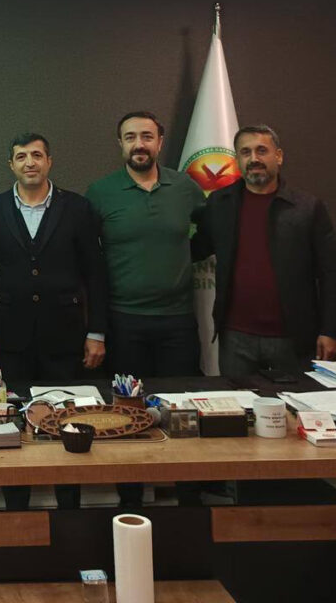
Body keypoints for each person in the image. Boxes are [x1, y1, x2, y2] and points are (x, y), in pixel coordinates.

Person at [0, 133, 108, 511]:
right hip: (10, 336)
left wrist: (97, 331)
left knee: (67, 419)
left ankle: (69, 505)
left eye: (37, 155)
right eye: (21, 156)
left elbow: (96, 275)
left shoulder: (78, 208)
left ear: (49, 161)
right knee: (10, 421)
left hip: (65, 335)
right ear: (11, 165)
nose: (30, 162)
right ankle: (15, 506)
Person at [86, 111, 205, 508]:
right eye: (130, 137)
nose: (139, 144)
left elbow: (209, 234)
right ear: (120, 144)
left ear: (160, 142)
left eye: (147, 136)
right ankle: (131, 499)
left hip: (178, 321)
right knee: (127, 415)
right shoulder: (101, 193)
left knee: (181, 412)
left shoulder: (185, 188)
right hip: (124, 322)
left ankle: (188, 497)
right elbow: (89, 260)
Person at [192, 125, 336, 375]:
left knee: (297, 401)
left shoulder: (307, 208)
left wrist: (331, 330)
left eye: (261, 150)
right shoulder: (220, 203)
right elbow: (196, 248)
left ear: (279, 156)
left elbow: (332, 274)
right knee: (238, 401)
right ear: (237, 160)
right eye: (245, 152)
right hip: (235, 338)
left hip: (293, 339)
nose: (254, 159)